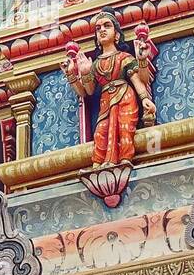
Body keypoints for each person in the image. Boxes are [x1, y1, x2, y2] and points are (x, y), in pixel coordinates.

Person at [64, 9, 156, 167]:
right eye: (98, 28)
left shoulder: (124, 58)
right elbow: (88, 91)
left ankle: (125, 159)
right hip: (105, 102)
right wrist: (74, 74)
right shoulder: (95, 64)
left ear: (117, 34)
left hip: (125, 97)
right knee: (101, 133)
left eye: (107, 26)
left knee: (125, 128)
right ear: (97, 39)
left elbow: (139, 79)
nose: (102, 30)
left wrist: (145, 98)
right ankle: (99, 164)